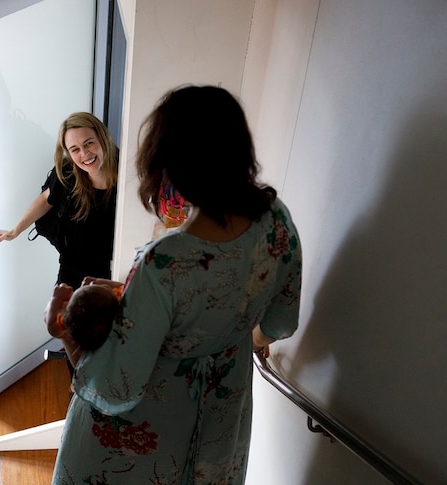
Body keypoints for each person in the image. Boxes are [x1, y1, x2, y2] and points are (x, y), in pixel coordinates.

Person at [44, 84, 303, 485]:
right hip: (221, 415)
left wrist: (63, 326)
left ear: (169, 162)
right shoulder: (276, 221)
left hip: (151, 430)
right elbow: (280, 322)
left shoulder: (163, 261)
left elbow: (116, 390)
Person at [0, 112, 119, 288]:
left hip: (114, 270)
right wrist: (14, 231)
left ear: (102, 138)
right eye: (75, 149)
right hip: (73, 269)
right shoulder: (67, 173)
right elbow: (46, 199)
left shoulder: (127, 171)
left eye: (89, 143)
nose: (85, 154)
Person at [49, 278, 123, 359]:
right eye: (105, 287)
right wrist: (97, 281)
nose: (91, 283)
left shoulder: (72, 326)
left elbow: (51, 325)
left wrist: (56, 299)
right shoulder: (117, 301)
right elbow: (125, 286)